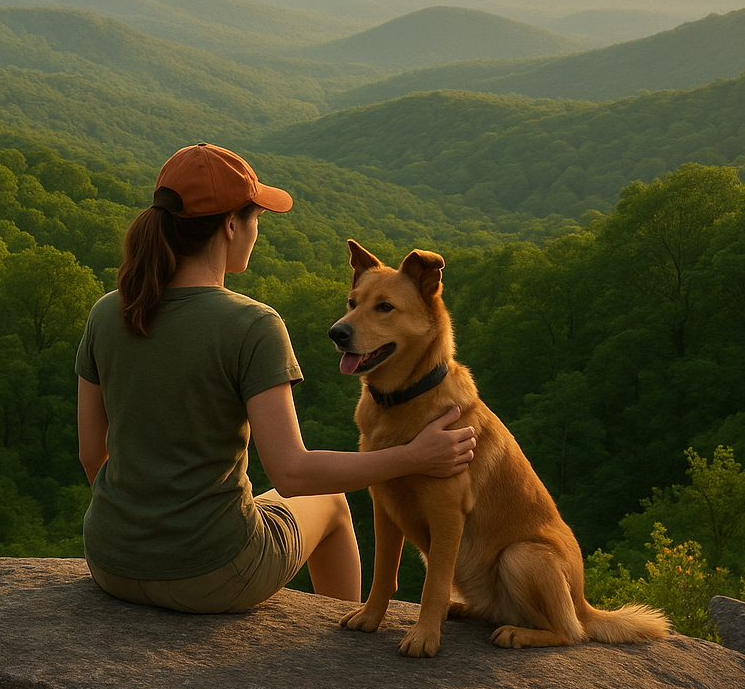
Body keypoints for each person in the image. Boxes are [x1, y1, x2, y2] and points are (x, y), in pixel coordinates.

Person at [75, 143, 476, 613]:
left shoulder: (108, 311)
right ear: (230, 226)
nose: (256, 231)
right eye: (256, 218)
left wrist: (144, 534)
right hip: (213, 573)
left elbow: (90, 454)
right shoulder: (251, 325)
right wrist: (413, 456)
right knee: (331, 503)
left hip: (110, 562)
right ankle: (342, 651)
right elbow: (292, 474)